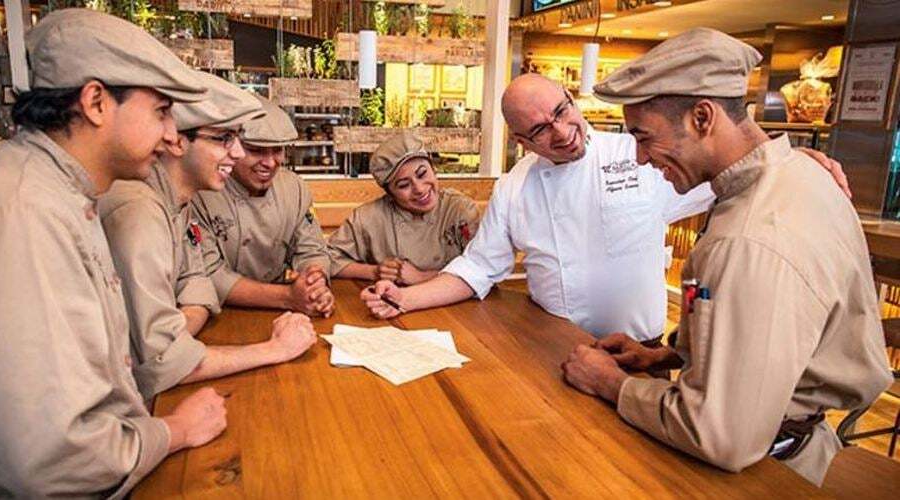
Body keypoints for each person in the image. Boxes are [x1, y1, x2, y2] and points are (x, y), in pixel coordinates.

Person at [0, 9, 229, 497]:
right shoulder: (20, 214)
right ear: (96, 102)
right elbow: (54, 457)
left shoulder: (61, 193)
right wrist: (176, 430)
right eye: (161, 112)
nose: (170, 137)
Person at [561, 27, 892, 485]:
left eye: (644, 137)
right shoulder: (801, 172)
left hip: (770, 473)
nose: (639, 158)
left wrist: (611, 384)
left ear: (702, 118)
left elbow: (721, 436)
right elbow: (770, 338)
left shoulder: (748, 240)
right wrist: (664, 357)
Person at [361, 73, 850, 342]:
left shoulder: (641, 155)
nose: (561, 130)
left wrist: (791, 159)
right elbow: (476, 269)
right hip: (551, 343)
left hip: (643, 351)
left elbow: (731, 174)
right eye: (540, 130)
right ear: (521, 141)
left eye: (562, 111)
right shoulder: (515, 188)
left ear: (571, 100)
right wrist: (403, 299)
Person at [100, 72, 317, 401]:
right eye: (223, 139)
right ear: (176, 140)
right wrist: (276, 349)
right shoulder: (139, 210)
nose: (239, 153)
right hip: (134, 405)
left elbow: (198, 285)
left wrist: (182, 328)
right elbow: (162, 363)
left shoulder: (176, 201)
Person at [193, 97, 334, 317]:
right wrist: (288, 297)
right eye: (257, 150)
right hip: (221, 313)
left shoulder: (294, 187)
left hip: (286, 311)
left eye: (277, 150)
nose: (270, 162)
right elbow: (208, 273)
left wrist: (315, 281)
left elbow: (312, 249)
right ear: (232, 148)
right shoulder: (203, 191)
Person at [328, 132, 480, 284]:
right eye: (403, 185)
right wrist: (374, 271)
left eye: (422, 174)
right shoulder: (368, 218)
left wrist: (420, 277)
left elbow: (482, 269)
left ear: (434, 170)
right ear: (390, 194)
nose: (419, 189)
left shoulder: (459, 210)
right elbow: (327, 258)